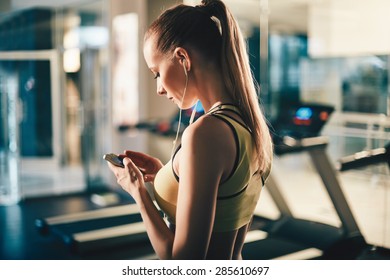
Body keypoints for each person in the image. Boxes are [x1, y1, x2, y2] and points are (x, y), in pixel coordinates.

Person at [107, 0, 273, 260]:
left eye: (157, 73)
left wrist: (138, 193)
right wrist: (170, 173)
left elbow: (184, 263)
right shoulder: (249, 124)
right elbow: (223, 200)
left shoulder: (204, 134)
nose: (159, 88)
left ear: (182, 58)